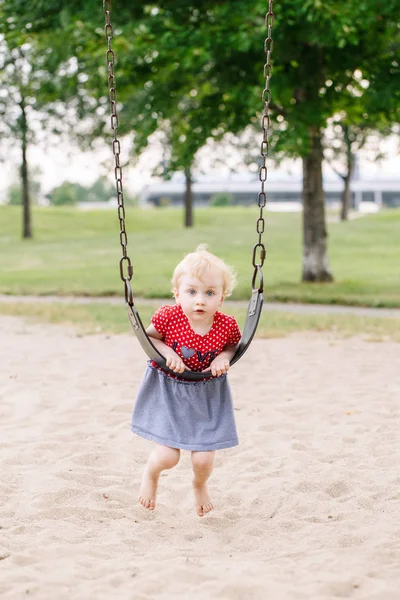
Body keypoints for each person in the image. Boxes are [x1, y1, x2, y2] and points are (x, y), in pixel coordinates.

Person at [131, 244, 241, 517]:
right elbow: (151, 337)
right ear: (177, 294)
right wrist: (168, 353)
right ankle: (151, 474)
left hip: (206, 394)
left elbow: (232, 346)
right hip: (170, 390)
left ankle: (199, 484)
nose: (200, 300)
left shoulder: (226, 325)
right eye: (191, 292)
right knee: (168, 456)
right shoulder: (169, 317)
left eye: (210, 293)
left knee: (204, 459)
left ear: (222, 298)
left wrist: (222, 358)